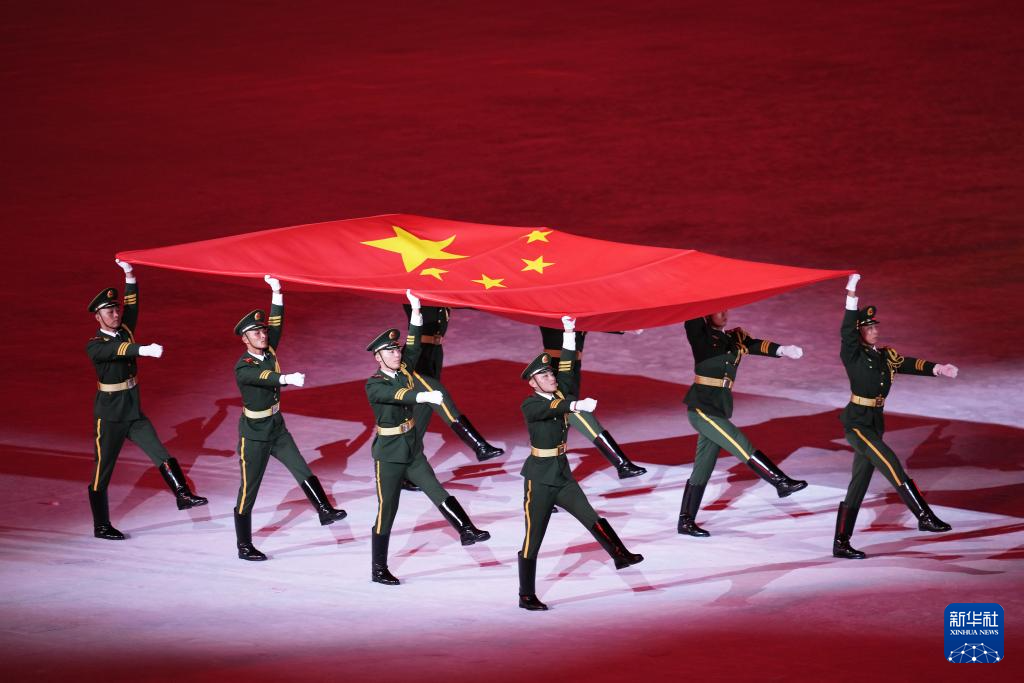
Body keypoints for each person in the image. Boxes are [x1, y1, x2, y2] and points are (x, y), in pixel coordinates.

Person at [518, 315, 643, 611]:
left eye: (550, 374)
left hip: (561, 474)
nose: (551, 378)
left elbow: (568, 365)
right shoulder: (531, 403)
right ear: (533, 382)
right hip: (539, 479)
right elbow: (555, 407)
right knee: (533, 539)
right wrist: (576, 405)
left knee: (590, 515)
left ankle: (619, 554)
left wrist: (570, 331)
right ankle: (526, 595)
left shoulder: (558, 389)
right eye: (545, 376)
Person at [366, 290, 490, 585]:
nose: (397, 354)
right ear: (378, 357)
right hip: (389, 454)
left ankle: (466, 529)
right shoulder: (374, 384)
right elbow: (399, 395)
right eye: (390, 352)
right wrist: (423, 395)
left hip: (411, 449)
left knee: (436, 489)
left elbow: (414, 342)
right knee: (388, 510)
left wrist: (416, 311)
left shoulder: (404, 368)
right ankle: (379, 568)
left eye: (396, 350)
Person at [833, 274, 958, 559]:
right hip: (857, 423)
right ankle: (924, 515)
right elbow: (846, 329)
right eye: (869, 327)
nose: (875, 330)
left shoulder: (885, 356)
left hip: (875, 422)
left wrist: (937, 368)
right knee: (890, 463)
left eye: (875, 326)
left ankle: (841, 542)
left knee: (858, 484)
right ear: (859, 332)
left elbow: (908, 364)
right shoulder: (852, 353)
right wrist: (851, 294)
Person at [86, 259, 207, 540]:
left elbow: (133, 305)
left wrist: (129, 274)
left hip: (133, 411)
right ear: (97, 317)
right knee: (102, 471)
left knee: (159, 452)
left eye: (116, 309)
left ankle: (182, 494)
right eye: (109, 311)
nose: (115, 314)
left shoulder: (124, 330)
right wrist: (144, 350)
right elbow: (118, 350)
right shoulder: (95, 345)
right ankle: (101, 525)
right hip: (110, 416)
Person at [232, 275, 347, 561]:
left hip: (276, 427)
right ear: (244, 339)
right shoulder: (243, 367)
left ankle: (324, 509)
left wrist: (277, 292)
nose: (262, 335)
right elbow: (263, 377)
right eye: (255, 333)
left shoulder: (268, 350)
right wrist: (286, 378)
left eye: (262, 331)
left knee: (301, 467)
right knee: (249, 490)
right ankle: (244, 545)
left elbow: (277, 323)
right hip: (254, 434)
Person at [677, 310, 807, 537]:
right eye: (718, 311)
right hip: (702, 407)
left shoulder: (735, 337)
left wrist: (782, 350)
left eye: (725, 310)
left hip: (719, 407)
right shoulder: (700, 335)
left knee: (702, 469)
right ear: (707, 315)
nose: (724, 314)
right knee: (740, 443)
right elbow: (692, 313)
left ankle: (685, 522)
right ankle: (779, 481)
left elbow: (754, 345)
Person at [538, 326, 646, 478]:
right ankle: (622, 464)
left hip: (571, 368)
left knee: (559, 426)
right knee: (574, 411)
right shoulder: (555, 313)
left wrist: (622, 327)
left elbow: (588, 321)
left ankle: (546, 479)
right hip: (555, 369)